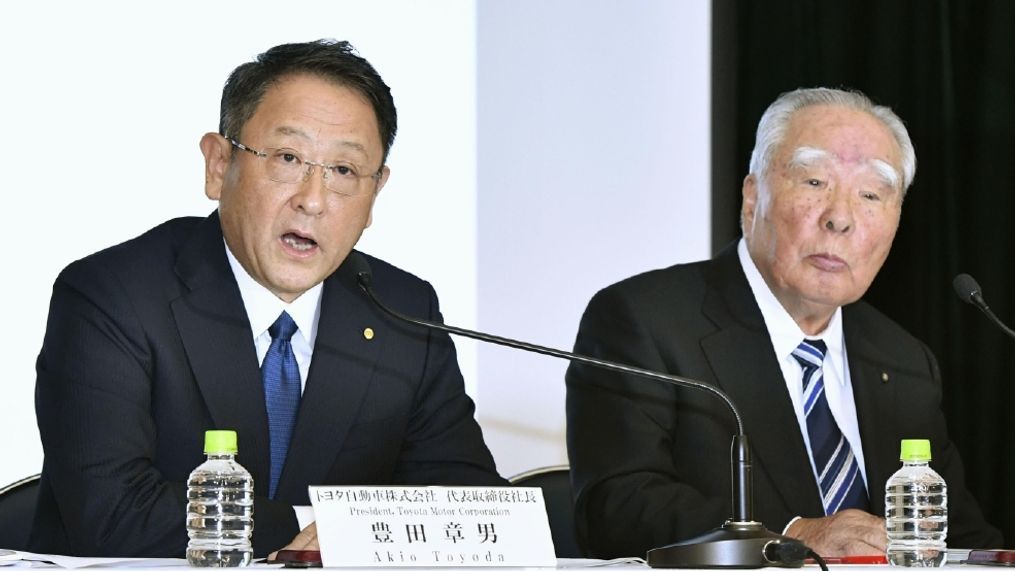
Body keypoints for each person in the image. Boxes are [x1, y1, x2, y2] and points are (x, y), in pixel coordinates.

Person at [30, 39, 505, 558]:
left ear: (375, 194)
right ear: (218, 165)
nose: (313, 199)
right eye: (287, 158)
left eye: (344, 171)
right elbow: (112, 515)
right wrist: (331, 528)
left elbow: (470, 507)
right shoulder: (114, 296)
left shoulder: (403, 311)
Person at [565, 87, 1002, 558]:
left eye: (872, 194)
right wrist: (789, 538)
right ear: (753, 198)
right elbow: (616, 508)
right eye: (814, 182)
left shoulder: (904, 360)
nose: (840, 218)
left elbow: (960, 538)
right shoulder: (645, 321)